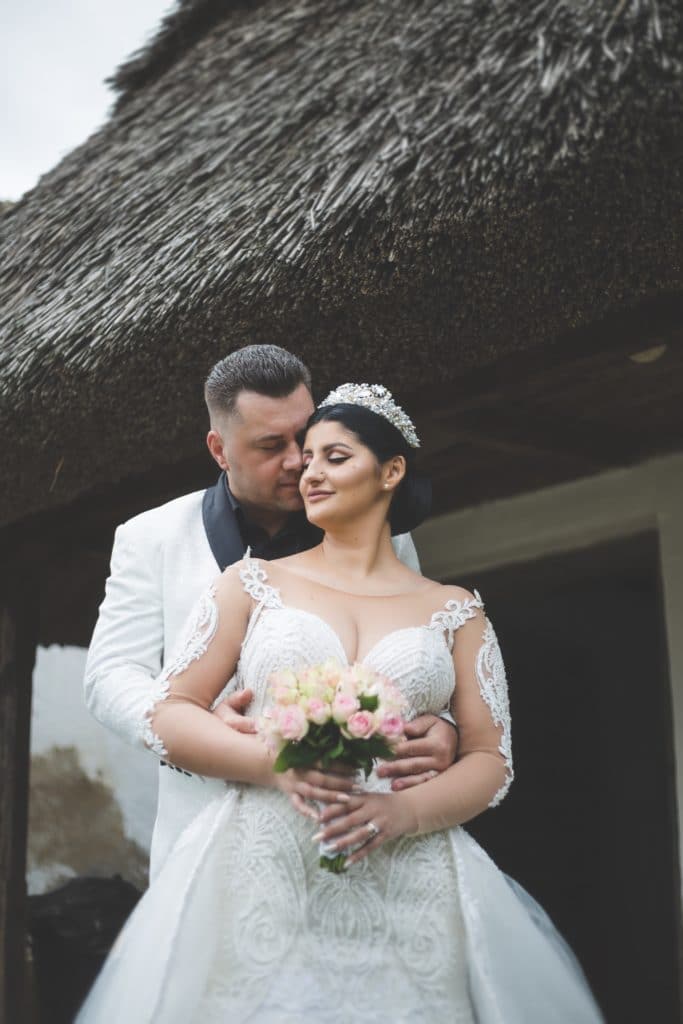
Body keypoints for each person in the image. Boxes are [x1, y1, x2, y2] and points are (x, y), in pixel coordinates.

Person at [77, 384, 604, 1023]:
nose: (306, 468)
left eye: (332, 455)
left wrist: (412, 792)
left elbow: (489, 754)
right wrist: (259, 751)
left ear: (391, 472)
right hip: (261, 861)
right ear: (221, 447)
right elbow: (158, 701)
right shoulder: (242, 581)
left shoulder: (455, 608)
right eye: (297, 453)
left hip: (408, 871)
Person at [84, 347, 458, 879]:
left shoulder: (381, 530)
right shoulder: (150, 537)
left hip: (362, 839)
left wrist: (442, 726)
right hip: (209, 842)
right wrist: (187, 724)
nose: (296, 460)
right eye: (269, 445)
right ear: (219, 449)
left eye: (304, 436)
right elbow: (109, 675)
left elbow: (421, 656)